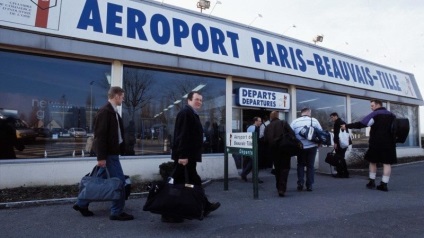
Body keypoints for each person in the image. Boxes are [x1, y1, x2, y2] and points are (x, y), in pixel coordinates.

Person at [73, 86, 134, 221]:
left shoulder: (114, 112)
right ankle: (117, 212)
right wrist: (101, 157)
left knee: (97, 180)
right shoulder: (105, 112)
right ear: (116, 96)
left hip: (112, 154)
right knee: (119, 182)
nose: (123, 99)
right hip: (109, 156)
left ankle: (81, 204)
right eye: (122, 96)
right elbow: (99, 136)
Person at [164, 91, 220, 223]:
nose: (199, 102)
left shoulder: (192, 114)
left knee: (193, 181)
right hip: (185, 158)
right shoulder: (186, 113)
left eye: (201, 100)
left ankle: (204, 206)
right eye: (196, 99)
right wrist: (182, 155)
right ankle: (166, 212)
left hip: (189, 157)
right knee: (176, 184)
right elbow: (182, 136)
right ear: (189, 100)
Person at [341, 99, 396, 192]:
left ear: (378, 105)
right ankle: (384, 184)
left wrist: (347, 126)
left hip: (376, 143)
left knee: (372, 161)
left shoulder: (375, 114)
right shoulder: (392, 115)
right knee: (387, 163)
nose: (371, 108)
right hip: (389, 143)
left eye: (372, 105)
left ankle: (372, 182)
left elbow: (362, 124)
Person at [290, 107, 322, 192]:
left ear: (301, 113)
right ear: (308, 112)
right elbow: (320, 132)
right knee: (310, 166)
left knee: (300, 165)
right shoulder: (314, 120)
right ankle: (309, 185)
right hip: (312, 147)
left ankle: (300, 183)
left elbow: (290, 134)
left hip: (300, 147)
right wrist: (319, 143)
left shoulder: (295, 122)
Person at [264, 111, 293, 197]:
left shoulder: (268, 126)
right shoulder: (283, 123)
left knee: (277, 169)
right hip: (285, 149)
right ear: (278, 116)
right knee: (285, 169)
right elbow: (292, 134)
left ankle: (278, 187)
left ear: (271, 117)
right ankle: (282, 188)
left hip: (274, 151)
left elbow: (265, 140)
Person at [240, 116, 264, 183]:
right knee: (255, 163)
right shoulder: (256, 128)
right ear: (256, 121)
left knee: (250, 162)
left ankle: (244, 174)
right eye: (259, 121)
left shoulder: (249, 127)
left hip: (248, 146)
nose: (261, 122)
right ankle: (254, 178)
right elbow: (256, 139)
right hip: (254, 147)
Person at [330, 112, 350, 178]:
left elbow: (336, 134)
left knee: (339, 158)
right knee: (341, 158)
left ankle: (341, 173)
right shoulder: (342, 122)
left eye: (332, 117)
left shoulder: (337, 123)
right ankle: (345, 173)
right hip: (345, 143)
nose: (331, 119)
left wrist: (335, 143)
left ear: (336, 116)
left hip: (340, 143)